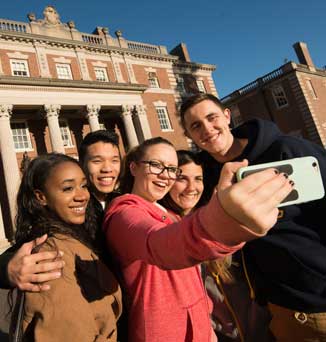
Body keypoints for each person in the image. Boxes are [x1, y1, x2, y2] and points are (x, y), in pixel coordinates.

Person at [103, 136, 293, 341]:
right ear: (133, 167)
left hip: (200, 330)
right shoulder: (123, 214)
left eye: (171, 169)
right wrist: (226, 216)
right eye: (155, 165)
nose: (165, 175)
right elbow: (161, 245)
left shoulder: (170, 215)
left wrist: (207, 323)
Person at [179, 93, 326, 341]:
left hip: (317, 294)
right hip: (278, 309)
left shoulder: (287, 150)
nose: (207, 129)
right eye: (195, 126)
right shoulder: (205, 177)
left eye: (212, 117)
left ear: (227, 116)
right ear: (189, 136)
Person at [11, 153, 121, 341]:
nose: (82, 196)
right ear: (41, 197)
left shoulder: (73, 236)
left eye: (84, 185)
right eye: (68, 188)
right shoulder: (51, 257)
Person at [0, 129, 121, 292]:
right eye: (97, 161)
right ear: (82, 165)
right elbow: (24, 247)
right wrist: (7, 269)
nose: (107, 168)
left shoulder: (124, 200)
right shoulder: (67, 214)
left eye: (114, 160)